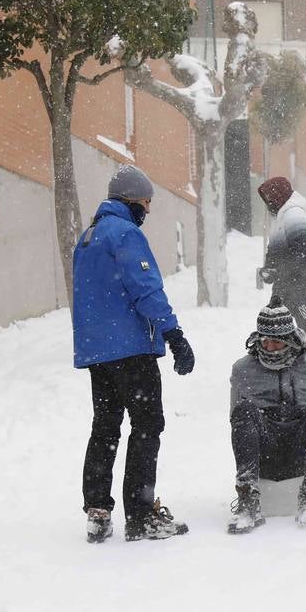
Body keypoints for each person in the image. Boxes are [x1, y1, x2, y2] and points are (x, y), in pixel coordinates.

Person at [73, 165, 195, 544]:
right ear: (131, 200)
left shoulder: (88, 237)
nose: (148, 210)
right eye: (146, 202)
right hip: (131, 350)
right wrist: (173, 333)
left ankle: (97, 510)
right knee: (147, 426)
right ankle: (141, 515)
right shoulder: (124, 233)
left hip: (98, 353)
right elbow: (145, 288)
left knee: (106, 426)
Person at [227, 298, 306, 533]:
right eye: (265, 341)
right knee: (244, 411)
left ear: (290, 339)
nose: (270, 347)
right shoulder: (243, 371)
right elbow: (235, 417)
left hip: (304, 450)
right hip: (264, 453)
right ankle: (248, 501)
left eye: (276, 342)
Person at [257, 176, 306, 355]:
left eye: (270, 199)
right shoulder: (280, 220)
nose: (269, 203)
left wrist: (283, 271)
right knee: (274, 332)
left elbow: (303, 256)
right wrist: (269, 271)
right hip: (286, 286)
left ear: (279, 197)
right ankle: (283, 370)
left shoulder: (296, 216)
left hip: (303, 286)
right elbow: (276, 256)